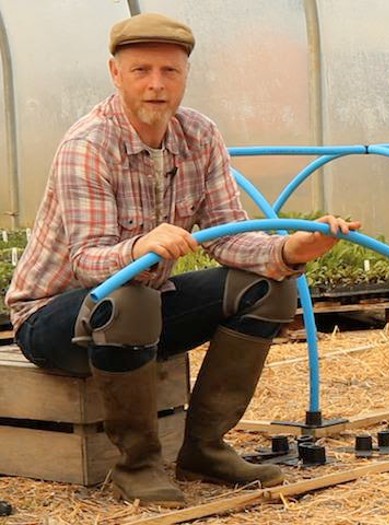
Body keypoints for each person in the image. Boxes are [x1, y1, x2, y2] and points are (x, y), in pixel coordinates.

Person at [5, 12, 360, 507]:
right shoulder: (88, 146)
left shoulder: (199, 136)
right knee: (129, 300)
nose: (156, 85)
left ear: (186, 76)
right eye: (141, 71)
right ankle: (139, 464)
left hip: (141, 306)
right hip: (54, 317)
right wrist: (141, 247)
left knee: (266, 288)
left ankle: (204, 447)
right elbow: (89, 263)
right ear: (115, 74)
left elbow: (228, 236)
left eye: (169, 72)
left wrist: (287, 251)